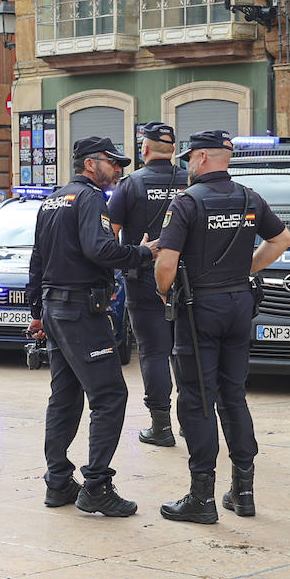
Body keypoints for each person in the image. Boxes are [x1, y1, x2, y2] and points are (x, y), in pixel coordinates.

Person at [153, 130, 290, 524]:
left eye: (188, 160)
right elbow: (283, 239)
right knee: (233, 396)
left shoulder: (186, 203)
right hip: (238, 305)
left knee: (197, 398)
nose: (186, 167)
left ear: (200, 158)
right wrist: (243, 270)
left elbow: (166, 265)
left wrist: (164, 293)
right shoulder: (249, 198)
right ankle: (243, 492)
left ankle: (202, 497)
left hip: (200, 309)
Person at [27, 136, 157, 517]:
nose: (118, 170)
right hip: (81, 312)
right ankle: (97, 485)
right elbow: (99, 249)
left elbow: (37, 258)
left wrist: (38, 311)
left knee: (64, 396)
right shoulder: (89, 199)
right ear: (90, 163)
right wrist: (143, 253)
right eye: (113, 163)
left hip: (55, 308)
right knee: (110, 395)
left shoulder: (52, 199)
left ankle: (58, 482)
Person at [108, 120, 184, 447]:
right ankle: (193, 422)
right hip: (187, 283)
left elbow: (107, 238)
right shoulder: (191, 181)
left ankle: (161, 426)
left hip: (144, 282)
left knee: (153, 353)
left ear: (145, 149)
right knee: (187, 353)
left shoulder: (130, 185)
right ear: (174, 150)